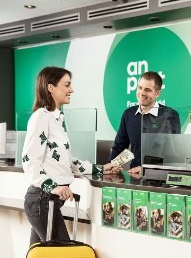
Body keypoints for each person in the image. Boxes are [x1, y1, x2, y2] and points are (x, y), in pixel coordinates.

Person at [22, 66, 121, 246]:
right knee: (61, 257)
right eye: (67, 85)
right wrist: (53, 186)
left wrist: (101, 168)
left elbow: (68, 161)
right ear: (51, 88)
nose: (72, 90)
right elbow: (29, 160)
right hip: (42, 200)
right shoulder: (41, 117)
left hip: (45, 202)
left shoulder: (56, 119)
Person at [109, 71, 181, 174]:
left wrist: (147, 170)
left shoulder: (170, 115)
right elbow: (119, 147)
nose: (142, 93)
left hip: (160, 177)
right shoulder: (128, 114)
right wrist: (111, 166)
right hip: (134, 175)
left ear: (157, 93)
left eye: (147, 90)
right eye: (140, 88)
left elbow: (173, 155)